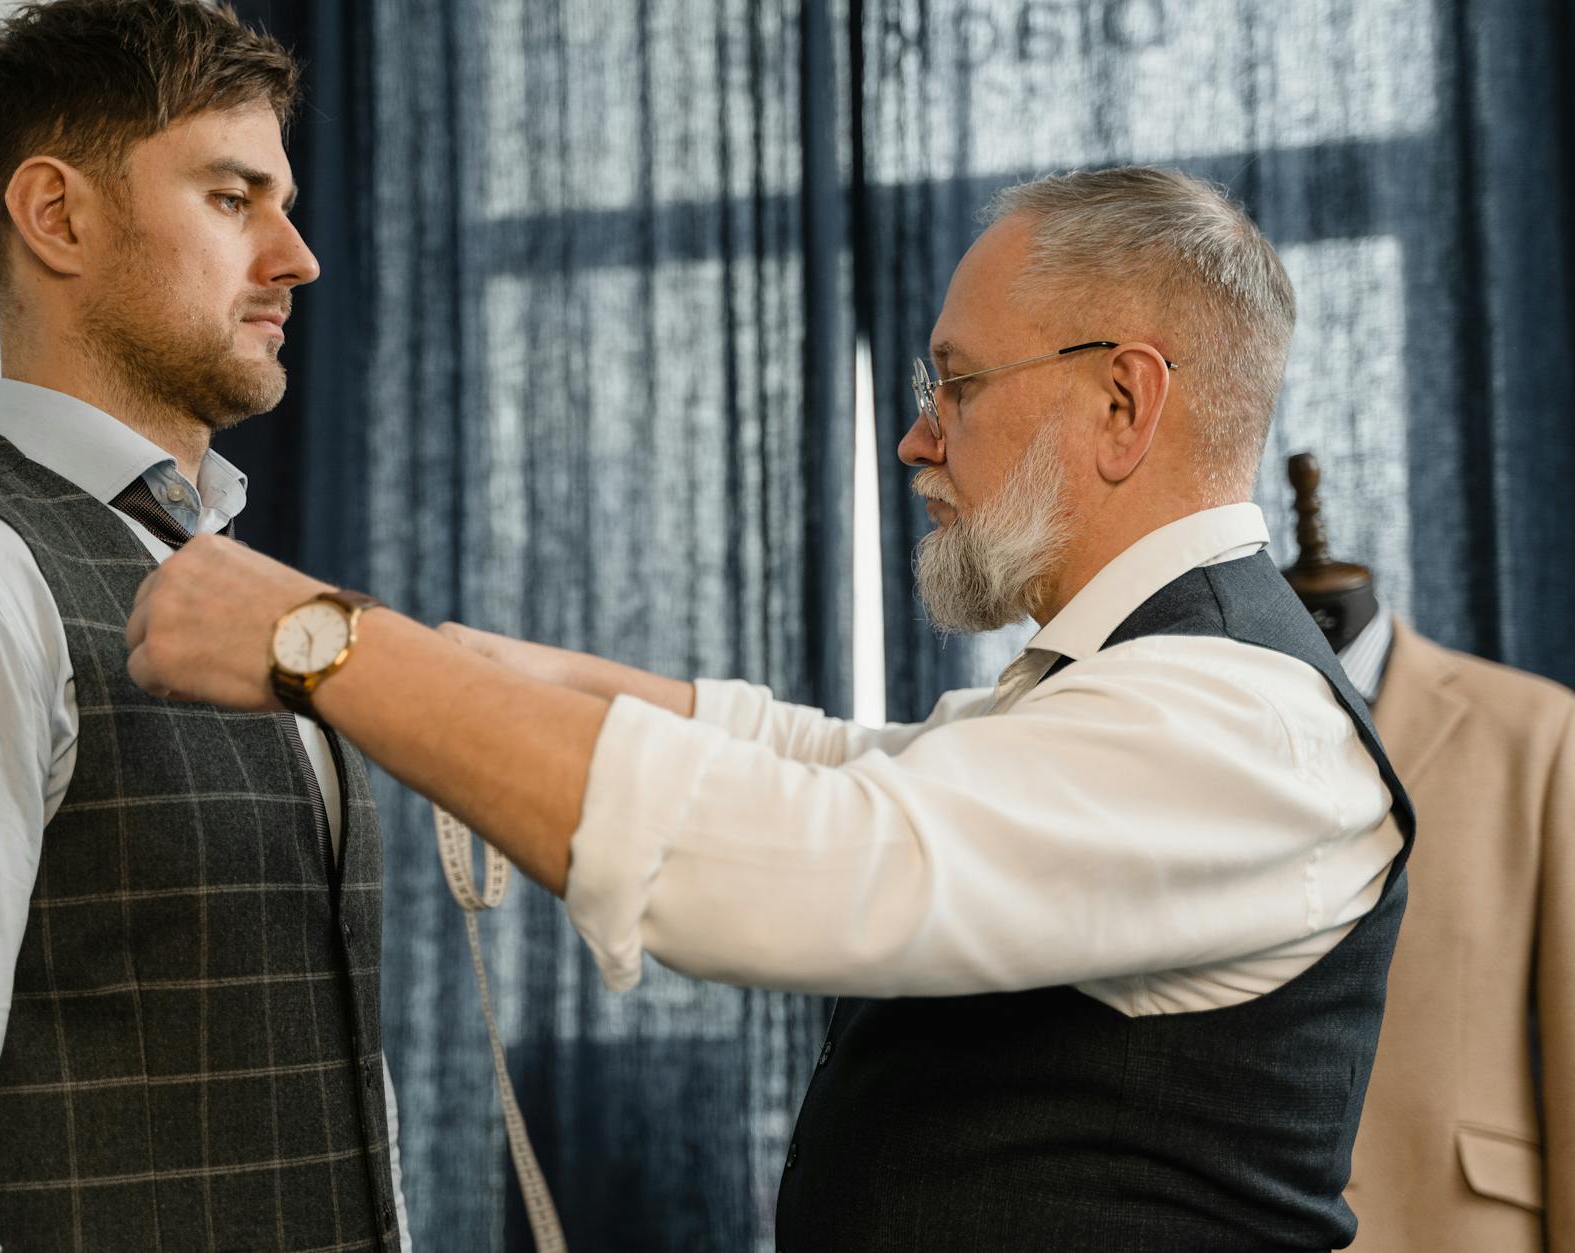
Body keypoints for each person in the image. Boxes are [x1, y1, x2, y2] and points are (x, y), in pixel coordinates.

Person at [128, 166, 1414, 1250]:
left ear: (1122, 403)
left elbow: (816, 862)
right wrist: (525, 676)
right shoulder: (1145, 682)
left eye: (952, 385)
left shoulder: (1234, 721)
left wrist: (326, 646)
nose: (917, 439)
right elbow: (854, 764)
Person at [0, 3, 409, 1248]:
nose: (297, 254)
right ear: (56, 216)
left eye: (283, 199)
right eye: (231, 198)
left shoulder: (236, 583)